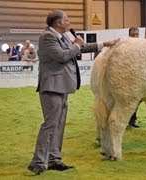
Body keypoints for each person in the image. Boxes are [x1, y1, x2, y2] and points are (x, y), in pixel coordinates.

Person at [27, 9, 119, 175]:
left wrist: (104, 44)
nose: (68, 22)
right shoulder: (47, 37)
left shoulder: (60, 37)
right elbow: (62, 56)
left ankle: (55, 159)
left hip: (61, 86)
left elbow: (80, 49)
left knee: (59, 124)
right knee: (50, 125)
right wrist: (76, 44)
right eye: (66, 19)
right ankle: (38, 161)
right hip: (52, 87)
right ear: (58, 23)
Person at [128, 26, 140, 128]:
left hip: (138, 78)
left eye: (136, 34)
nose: (135, 37)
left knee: (137, 102)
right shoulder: (126, 47)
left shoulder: (142, 47)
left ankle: (132, 120)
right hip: (128, 78)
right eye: (133, 35)